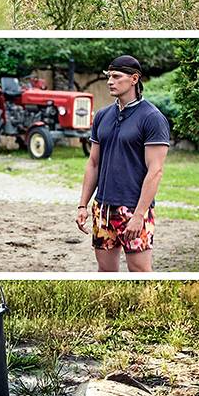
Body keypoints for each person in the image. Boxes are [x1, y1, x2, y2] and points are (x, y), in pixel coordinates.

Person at [74, 55, 170, 272]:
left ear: (134, 79)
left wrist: (139, 215)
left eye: (116, 77)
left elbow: (155, 171)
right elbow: (93, 163)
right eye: (109, 77)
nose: (110, 81)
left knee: (140, 271)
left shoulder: (152, 118)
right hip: (103, 207)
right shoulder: (102, 116)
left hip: (133, 208)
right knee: (105, 271)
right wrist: (83, 205)